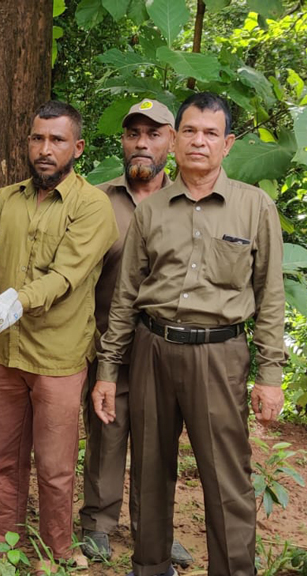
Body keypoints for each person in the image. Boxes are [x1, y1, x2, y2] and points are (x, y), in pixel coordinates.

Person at [93, 92, 286, 576]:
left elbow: (270, 296)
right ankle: (150, 566)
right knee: (151, 471)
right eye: (191, 132)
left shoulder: (254, 207)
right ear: (175, 140)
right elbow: (125, 298)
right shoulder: (152, 211)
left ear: (228, 143)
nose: (199, 142)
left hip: (219, 357)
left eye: (211, 133)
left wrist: (271, 375)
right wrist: (109, 371)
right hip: (152, 350)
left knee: (227, 477)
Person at [0, 100, 118, 574]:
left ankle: (58, 546)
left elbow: (67, 275)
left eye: (56, 140)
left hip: (58, 356)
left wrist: (16, 301)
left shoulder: (93, 206)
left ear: (78, 146)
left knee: (54, 466)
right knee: (1, 458)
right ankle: (2, 541)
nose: (45, 149)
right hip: (5, 355)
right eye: (37, 138)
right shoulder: (7, 199)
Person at [78, 99, 192, 568]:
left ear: (172, 141)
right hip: (108, 342)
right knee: (107, 433)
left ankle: (155, 533)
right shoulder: (98, 200)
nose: (142, 143)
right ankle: (98, 524)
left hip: (165, 346)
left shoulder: (189, 201)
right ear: (123, 142)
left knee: (159, 441)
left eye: (153, 134)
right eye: (133, 134)